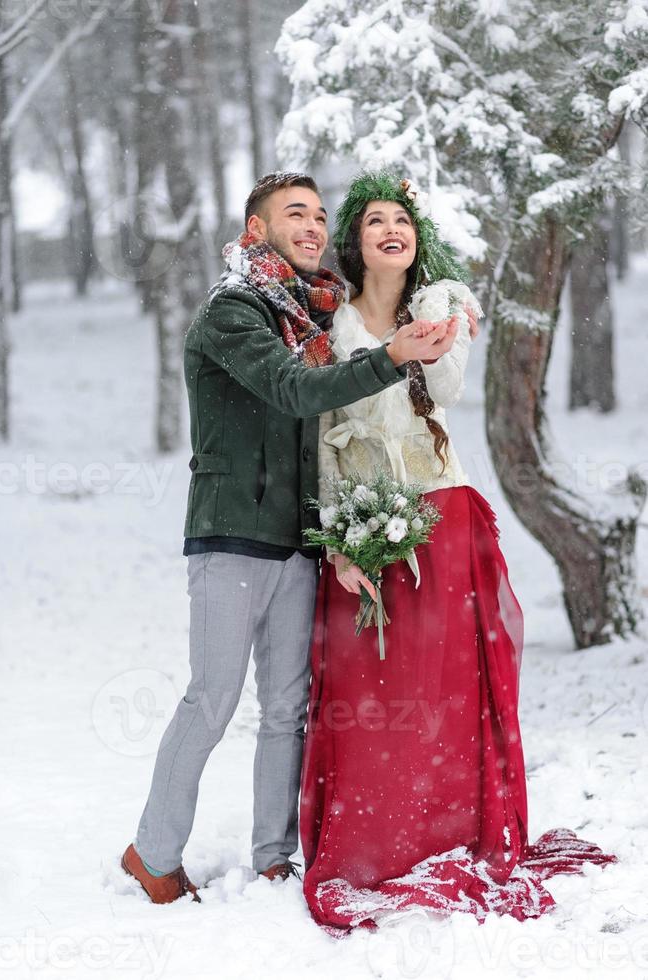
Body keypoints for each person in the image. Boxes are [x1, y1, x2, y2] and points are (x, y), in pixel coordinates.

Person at [120, 171, 469, 904]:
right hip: (232, 535)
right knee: (213, 698)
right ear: (257, 230)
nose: (312, 225)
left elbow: (324, 432)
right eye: (293, 214)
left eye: (317, 213)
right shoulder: (234, 311)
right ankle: (152, 853)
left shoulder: (310, 319)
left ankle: (274, 856)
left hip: (296, 544)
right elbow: (292, 391)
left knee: (287, 706)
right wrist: (389, 357)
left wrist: (337, 537)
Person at [299, 171, 616, 931]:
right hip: (364, 520)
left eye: (402, 218)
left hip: (440, 511)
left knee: (445, 689)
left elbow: (441, 392)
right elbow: (325, 444)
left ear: (417, 240)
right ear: (357, 240)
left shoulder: (440, 306)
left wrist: (436, 321)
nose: (390, 227)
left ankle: (447, 830)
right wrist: (341, 543)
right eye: (375, 218)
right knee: (370, 689)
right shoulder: (331, 328)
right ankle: (379, 837)